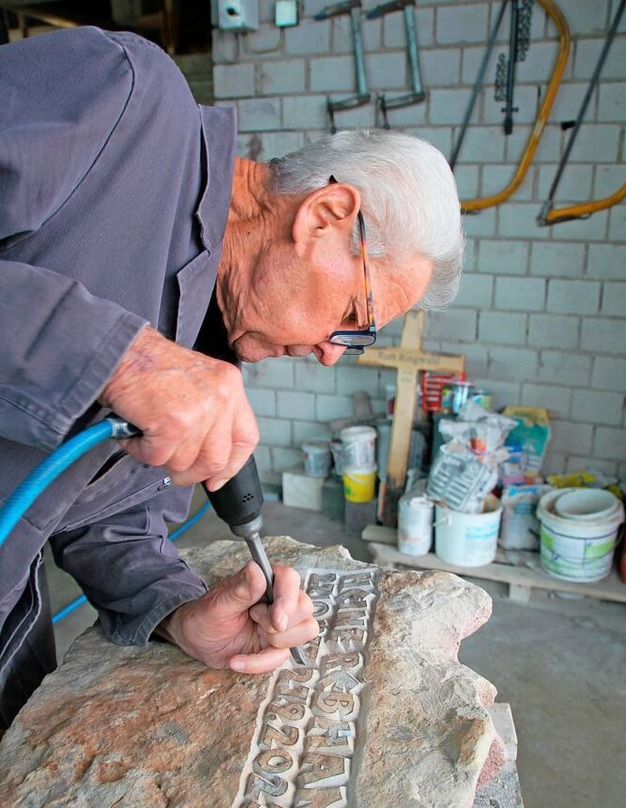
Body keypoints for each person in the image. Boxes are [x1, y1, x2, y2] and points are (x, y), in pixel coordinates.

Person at [0, 26, 464, 727]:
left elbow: (110, 524)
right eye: (354, 316)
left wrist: (182, 612)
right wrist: (120, 358)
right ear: (327, 217)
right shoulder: (120, 97)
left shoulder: (210, 348)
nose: (332, 353)